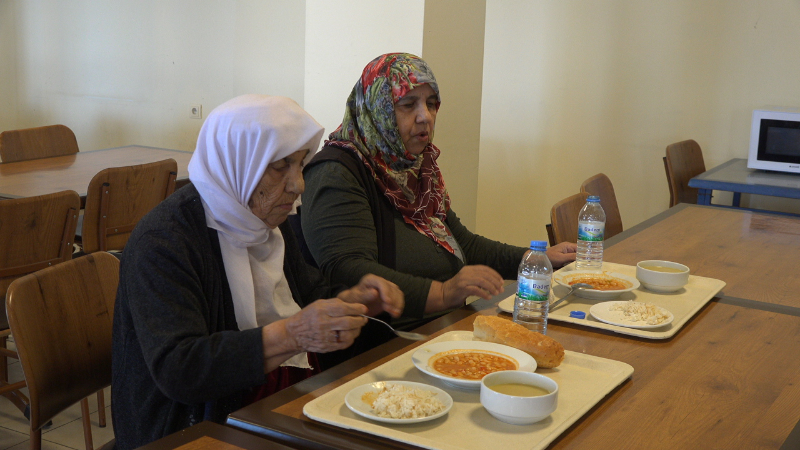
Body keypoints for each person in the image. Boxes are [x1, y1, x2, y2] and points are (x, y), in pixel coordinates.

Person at [111, 95, 403, 450]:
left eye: (301, 164)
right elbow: (181, 369)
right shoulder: (164, 242)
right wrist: (294, 335)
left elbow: (309, 295)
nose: (298, 185)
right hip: (191, 428)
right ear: (239, 161)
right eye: (281, 165)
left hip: (271, 398)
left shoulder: (263, 222)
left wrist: (350, 302)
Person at [299, 53, 576, 365]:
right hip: (379, 353)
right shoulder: (337, 173)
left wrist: (533, 260)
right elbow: (350, 269)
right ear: (378, 108)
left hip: (440, 334)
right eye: (408, 105)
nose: (425, 116)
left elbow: (462, 243)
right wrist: (443, 292)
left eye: (431, 103)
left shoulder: (415, 169)